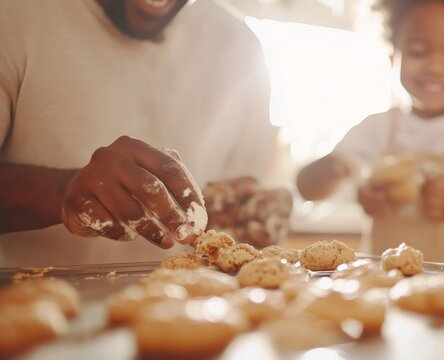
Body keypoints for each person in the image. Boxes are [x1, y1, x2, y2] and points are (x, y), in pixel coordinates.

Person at [0, 0, 281, 267]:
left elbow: (232, 211)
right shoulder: (15, 17)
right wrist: (62, 191)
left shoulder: (239, 49)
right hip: (24, 306)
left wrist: (237, 214)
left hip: (183, 308)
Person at [297, 0, 444, 266]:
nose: (436, 67)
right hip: (387, 289)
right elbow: (307, 188)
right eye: (418, 51)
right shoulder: (376, 129)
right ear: (393, 52)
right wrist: (344, 178)